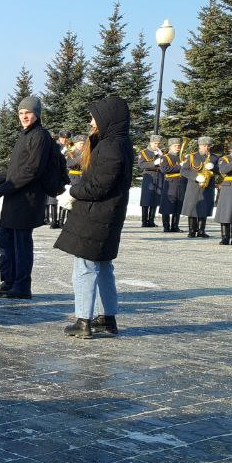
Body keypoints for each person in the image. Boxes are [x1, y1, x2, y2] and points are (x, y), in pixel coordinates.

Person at [55, 97, 132, 339]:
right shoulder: (118, 143)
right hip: (106, 215)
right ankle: (107, 318)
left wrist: (74, 192)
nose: (91, 122)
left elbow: (100, 185)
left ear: (108, 118)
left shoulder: (111, 145)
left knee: (85, 267)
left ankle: (83, 320)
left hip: (97, 215)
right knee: (103, 266)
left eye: (94, 117)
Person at [0, 95, 49, 299]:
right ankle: (9, 281)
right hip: (15, 197)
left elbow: (32, 170)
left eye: (28, 113)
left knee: (21, 243)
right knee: (4, 237)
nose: (24, 116)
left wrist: (3, 189)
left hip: (27, 199)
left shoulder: (40, 136)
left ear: (36, 114)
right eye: (21, 113)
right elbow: (15, 169)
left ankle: (22, 286)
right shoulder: (25, 135)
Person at [181, 137, 217, 239]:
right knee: (192, 208)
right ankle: (191, 231)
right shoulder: (192, 157)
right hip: (194, 186)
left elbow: (221, 171)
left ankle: (202, 230)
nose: (207, 148)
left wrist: (213, 167)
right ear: (200, 146)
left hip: (208, 186)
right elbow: (184, 171)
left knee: (204, 208)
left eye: (208, 146)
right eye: (204, 146)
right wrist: (195, 177)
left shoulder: (214, 157)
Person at [156, 138, 186, 232]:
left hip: (181, 183)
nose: (178, 148)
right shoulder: (165, 157)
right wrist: (179, 166)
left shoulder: (182, 157)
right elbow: (164, 169)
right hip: (171, 182)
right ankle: (166, 226)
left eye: (178, 146)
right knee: (167, 205)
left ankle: (175, 226)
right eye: (175, 146)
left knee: (178, 204)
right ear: (170, 147)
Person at [137, 135, 165, 228]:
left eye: (158, 144)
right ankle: (144, 221)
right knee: (146, 198)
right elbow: (141, 164)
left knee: (155, 198)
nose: (157, 145)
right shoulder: (144, 152)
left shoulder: (160, 153)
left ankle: (151, 221)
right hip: (149, 176)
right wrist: (154, 163)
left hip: (159, 176)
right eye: (155, 143)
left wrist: (162, 156)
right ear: (150, 143)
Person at [46, 131, 70, 229]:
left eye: (66, 138)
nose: (64, 140)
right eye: (62, 138)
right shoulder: (55, 146)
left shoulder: (70, 146)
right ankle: (53, 221)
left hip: (66, 174)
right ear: (59, 138)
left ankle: (61, 221)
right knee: (53, 197)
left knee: (64, 196)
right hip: (55, 173)